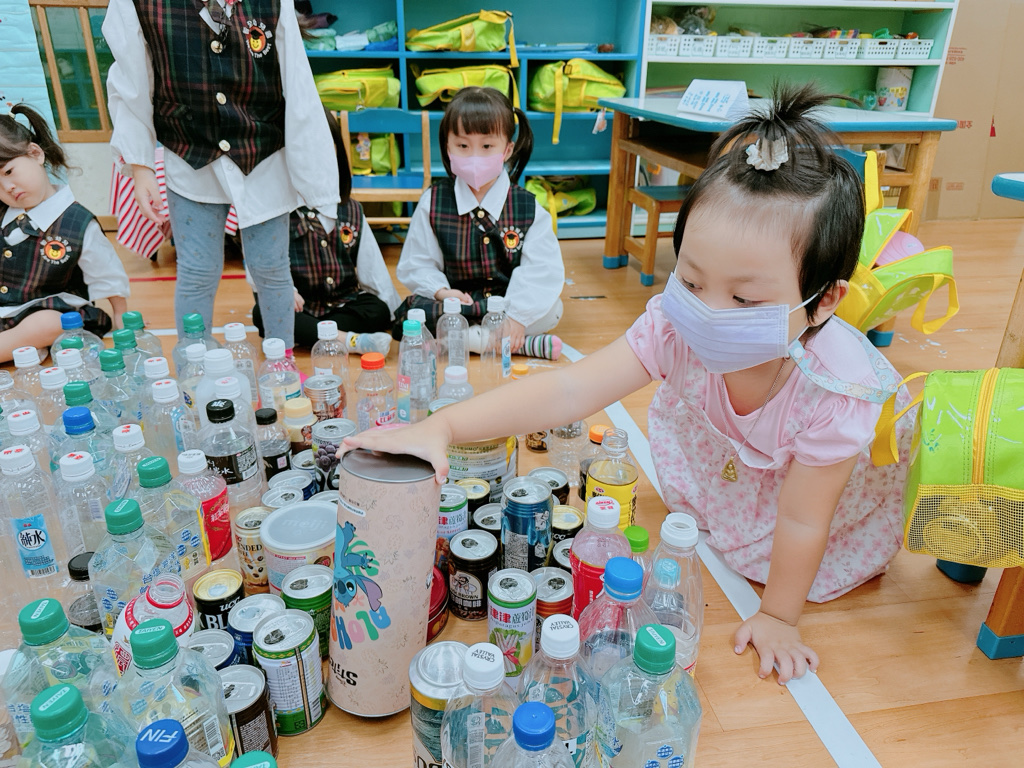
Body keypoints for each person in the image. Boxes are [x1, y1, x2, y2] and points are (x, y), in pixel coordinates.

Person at [344, 85, 913, 684]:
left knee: (790, 528)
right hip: (740, 473)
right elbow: (568, 392)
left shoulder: (835, 392)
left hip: (821, 500)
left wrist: (777, 616)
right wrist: (443, 426)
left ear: (823, 302)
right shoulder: (676, 327)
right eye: (690, 281)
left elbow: (803, 520)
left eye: (745, 299)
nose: (708, 312)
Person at [103, 0, 339, 353]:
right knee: (197, 270)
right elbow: (131, 82)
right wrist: (140, 165)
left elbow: (299, 87)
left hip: (263, 152)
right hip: (189, 153)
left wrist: (317, 184)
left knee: (271, 269)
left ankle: (282, 358)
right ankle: (193, 358)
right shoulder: (137, 4)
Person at [395, 86, 564, 360]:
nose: (474, 156)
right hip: (456, 305)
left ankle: (467, 340)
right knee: (413, 311)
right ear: (448, 147)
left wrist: (517, 317)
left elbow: (541, 270)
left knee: (553, 308)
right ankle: (515, 344)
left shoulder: (527, 207)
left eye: (487, 146)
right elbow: (418, 263)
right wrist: (442, 292)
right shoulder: (433, 201)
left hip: (505, 304)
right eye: (463, 146)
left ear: (507, 149)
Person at [250, 109, 399, 354]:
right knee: (263, 312)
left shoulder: (350, 209)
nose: (313, 159)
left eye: (323, 148)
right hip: (299, 306)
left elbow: (373, 270)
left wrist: (393, 314)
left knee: (378, 310)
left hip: (341, 305)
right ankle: (347, 340)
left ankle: (312, 334)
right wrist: (286, 291)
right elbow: (257, 265)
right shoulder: (275, 209)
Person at [0, 105, 130, 361]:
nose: (7, 187)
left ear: (35, 153)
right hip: (4, 312)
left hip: (49, 310)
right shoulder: (4, 212)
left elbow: (107, 274)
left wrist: (121, 317)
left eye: (9, 171)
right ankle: (20, 349)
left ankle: (18, 347)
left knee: (50, 324)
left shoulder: (77, 222)